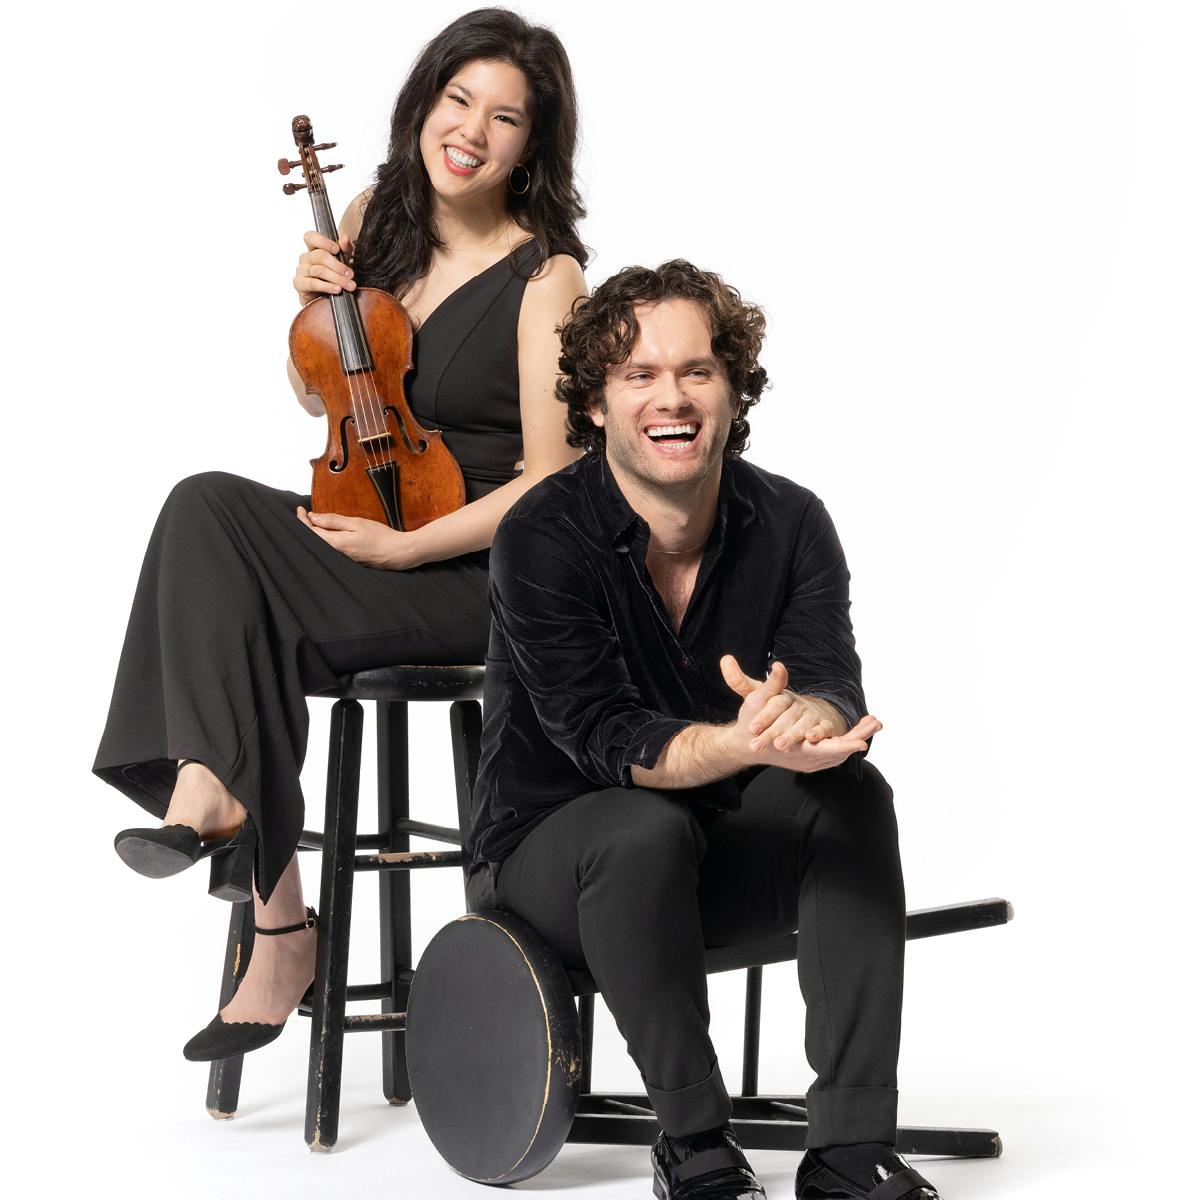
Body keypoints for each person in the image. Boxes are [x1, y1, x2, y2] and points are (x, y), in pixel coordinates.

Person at [94, 7, 587, 1063]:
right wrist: (311, 301)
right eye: (458, 100)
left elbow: (555, 481)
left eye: (505, 118)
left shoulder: (547, 280)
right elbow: (318, 389)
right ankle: (243, 850)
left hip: (472, 572)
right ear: (425, 102)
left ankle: (270, 914)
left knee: (244, 604)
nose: (472, 130)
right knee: (202, 505)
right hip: (367, 532)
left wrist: (410, 549)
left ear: (533, 144)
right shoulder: (375, 218)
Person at [465, 261, 941, 1200]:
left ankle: (848, 1145)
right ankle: (691, 1139)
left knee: (849, 792)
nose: (670, 398)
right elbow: (602, 736)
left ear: (733, 390)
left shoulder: (794, 521)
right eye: (639, 375)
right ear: (596, 405)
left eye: (696, 371)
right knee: (642, 825)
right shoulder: (541, 535)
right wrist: (739, 742)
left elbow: (829, 678)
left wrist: (813, 719)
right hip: (552, 868)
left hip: (708, 856)